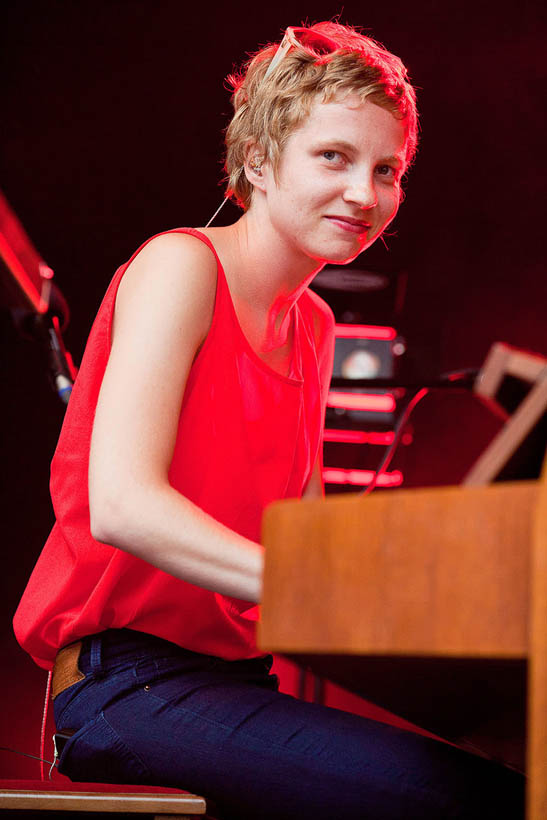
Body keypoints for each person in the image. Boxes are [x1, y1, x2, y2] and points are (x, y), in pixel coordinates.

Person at [14, 22, 524, 819]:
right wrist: (322, 583)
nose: (366, 193)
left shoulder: (314, 325)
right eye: (333, 157)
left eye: (386, 170)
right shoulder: (181, 265)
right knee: (464, 799)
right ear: (257, 159)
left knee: (507, 776)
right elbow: (121, 506)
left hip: (236, 680)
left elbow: (302, 539)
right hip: (126, 683)